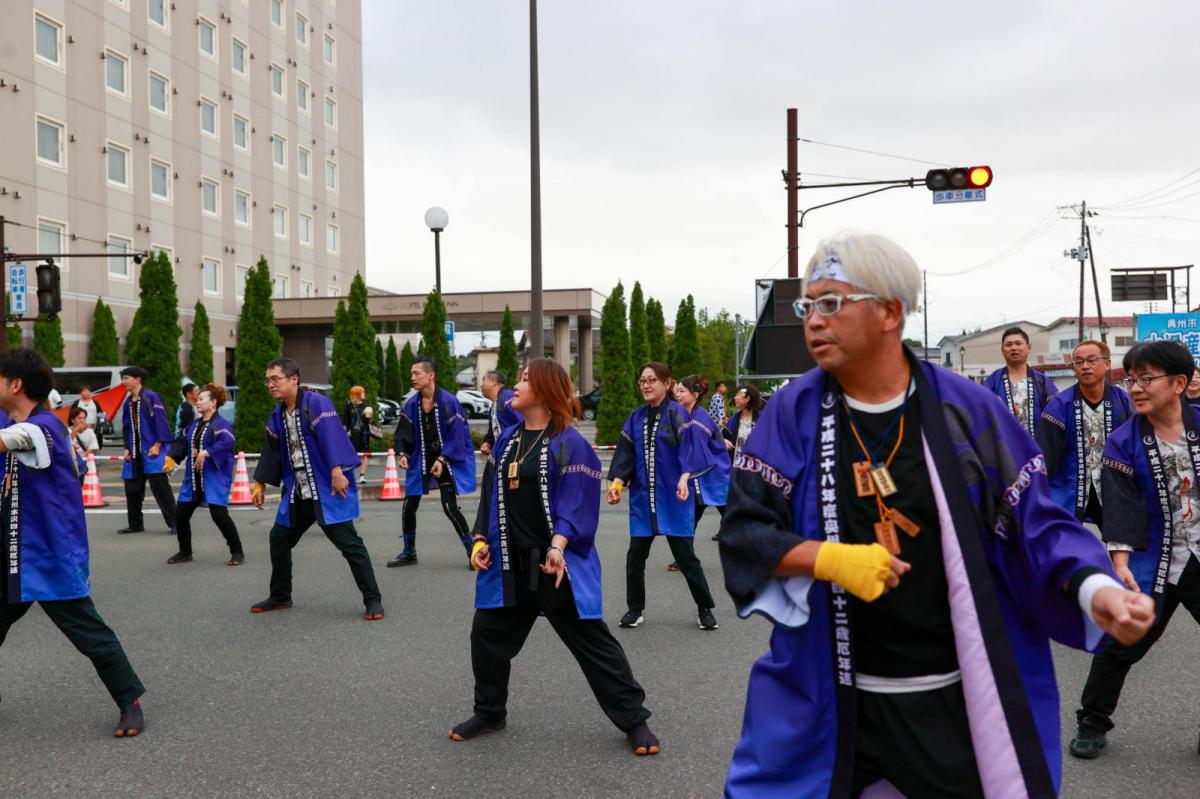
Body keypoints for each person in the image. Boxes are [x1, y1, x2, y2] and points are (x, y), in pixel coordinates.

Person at [718, 232, 1153, 798]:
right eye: (808, 306)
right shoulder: (792, 413)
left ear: (889, 312)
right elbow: (744, 531)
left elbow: (1036, 524)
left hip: (951, 702)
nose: (813, 321)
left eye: (831, 303)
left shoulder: (965, 410)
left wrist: (1097, 589)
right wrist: (826, 558)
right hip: (829, 694)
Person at [450, 359, 660, 756]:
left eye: (525, 379)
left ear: (545, 390)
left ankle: (635, 720)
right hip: (511, 564)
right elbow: (491, 496)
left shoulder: (570, 443)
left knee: (594, 646)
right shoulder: (509, 440)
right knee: (487, 638)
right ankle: (490, 712)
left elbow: (576, 502)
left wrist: (558, 547)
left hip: (553, 565)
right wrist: (480, 541)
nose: (516, 384)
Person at [0, 349, 147, 737]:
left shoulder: (45, 426)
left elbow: (14, 439)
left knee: (90, 635)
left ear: (16, 384)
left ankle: (130, 700)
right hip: (12, 552)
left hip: (49, 554)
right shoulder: (14, 418)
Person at [1068, 340, 1200, 760]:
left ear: (1179, 383)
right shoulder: (1123, 443)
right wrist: (1120, 564)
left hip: (1198, 556)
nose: (1137, 388)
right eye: (1131, 379)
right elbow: (1120, 508)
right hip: (1151, 561)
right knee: (1121, 643)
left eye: (1147, 378)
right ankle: (1092, 721)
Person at [251, 359, 384, 620]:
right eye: (268, 380)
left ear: (294, 379)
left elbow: (333, 436)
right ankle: (280, 595)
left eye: (275, 379)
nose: (270, 384)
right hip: (299, 492)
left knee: (350, 545)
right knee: (279, 539)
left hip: (326, 488)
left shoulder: (316, 404)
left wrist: (336, 472)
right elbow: (271, 451)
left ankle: (373, 599)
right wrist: (259, 484)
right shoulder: (277, 415)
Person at [607, 362, 720, 631]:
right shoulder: (635, 417)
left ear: (666, 383)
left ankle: (705, 608)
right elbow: (625, 454)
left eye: (652, 380)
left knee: (686, 559)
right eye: (642, 380)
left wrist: (685, 477)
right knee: (635, 557)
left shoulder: (678, 414)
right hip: (644, 501)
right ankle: (635, 609)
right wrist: (617, 483)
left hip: (674, 499)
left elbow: (690, 450)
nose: (646, 385)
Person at [388, 358, 476, 567]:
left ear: (431, 375)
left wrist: (443, 459)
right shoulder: (411, 404)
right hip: (422, 459)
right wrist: (402, 454)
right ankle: (409, 552)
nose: (412, 377)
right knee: (409, 506)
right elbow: (404, 433)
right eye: (412, 373)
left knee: (449, 507)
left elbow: (458, 435)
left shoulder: (449, 401)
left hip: (446, 459)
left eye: (417, 373)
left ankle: (472, 552)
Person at [1037, 340, 1133, 527]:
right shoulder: (1058, 406)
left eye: (1091, 360)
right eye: (1078, 362)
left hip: (1115, 489)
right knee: (1067, 547)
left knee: (1123, 548)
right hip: (1069, 489)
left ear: (1107, 363)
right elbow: (1044, 454)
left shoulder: (1125, 403)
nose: (1085, 366)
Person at [165, 384, 244, 566]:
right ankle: (185, 551)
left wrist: (206, 452)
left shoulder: (222, 425)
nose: (197, 402)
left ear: (213, 402)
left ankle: (237, 551)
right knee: (181, 515)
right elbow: (182, 443)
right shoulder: (194, 424)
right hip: (193, 479)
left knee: (219, 516)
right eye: (197, 399)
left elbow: (226, 443)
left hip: (213, 478)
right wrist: (171, 458)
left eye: (201, 399)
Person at [118, 366, 178, 535]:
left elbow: (161, 421)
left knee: (160, 488)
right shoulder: (128, 402)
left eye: (126, 378)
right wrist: (126, 448)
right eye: (123, 378)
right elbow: (126, 427)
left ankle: (175, 523)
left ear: (137, 379)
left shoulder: (151, 397)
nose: (124, 382)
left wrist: (158, 444)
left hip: (152, 450)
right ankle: (135, 523)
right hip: (134, 452)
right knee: (132, 488)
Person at [472, 369, 523, 535]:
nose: (481, 384)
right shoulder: (495, 404)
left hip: (515, 458)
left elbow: (522, 422)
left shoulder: (508, 398)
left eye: (484, 379)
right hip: (502, 459)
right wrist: (488, 442)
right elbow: (493, 430)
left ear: (494, 382)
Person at [984, 326, 1058, 436]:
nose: (1014, 348)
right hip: (1003, 448)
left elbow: (1057, 414)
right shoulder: (993, 381)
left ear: (1028, 347)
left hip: (1037, 449)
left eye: (1018, 343)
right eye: (1008, 345)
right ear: (1002, 350)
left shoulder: (1042, 381)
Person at [342, 385, 372, 483]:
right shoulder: (349, 406)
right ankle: (351, 476)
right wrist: (342, 436)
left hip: (364, 434)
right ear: (357, 394)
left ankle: (362, 476)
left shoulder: (366, 406)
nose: (364, 394)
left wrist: (370, 417)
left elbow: (370, 422)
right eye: (362, 392)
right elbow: (345, 423)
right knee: (350, 455)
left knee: (364, 455)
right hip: (352, 435)